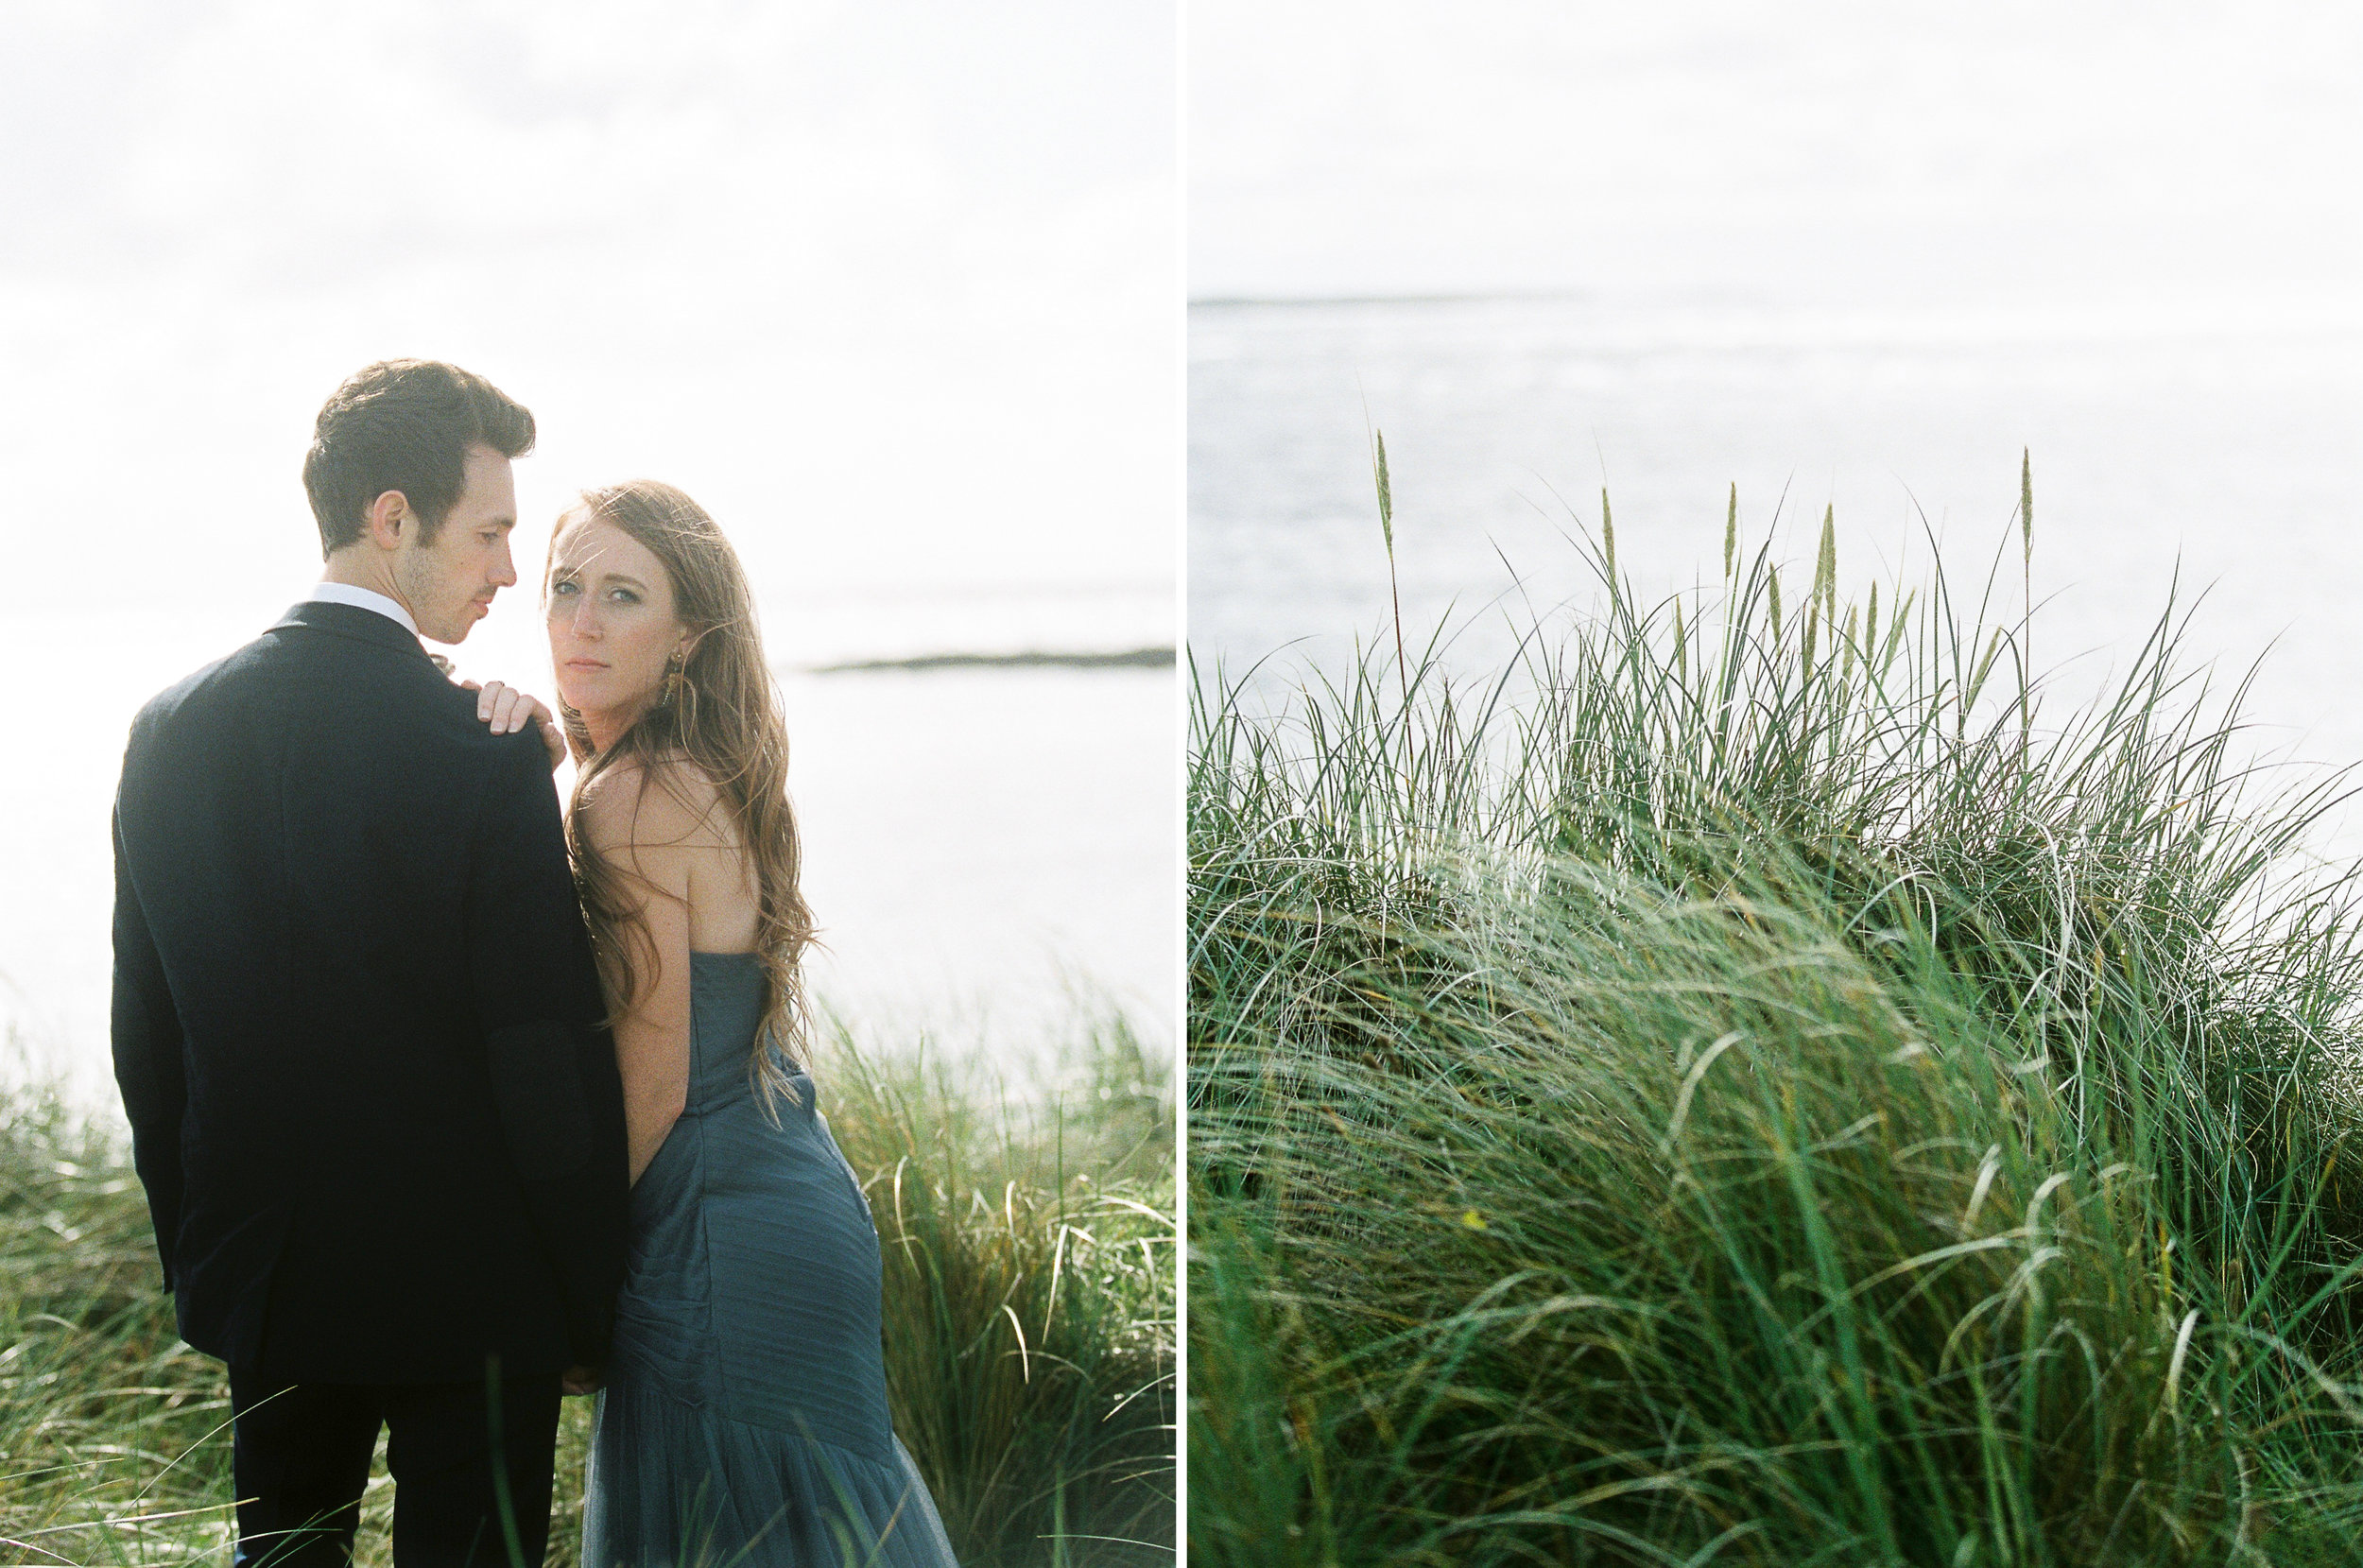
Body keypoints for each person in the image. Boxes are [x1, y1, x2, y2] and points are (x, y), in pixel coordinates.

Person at [109, 359, 631, 1566]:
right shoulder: (483, 750)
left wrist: (209, 1258)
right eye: (491, 533)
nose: (509, 569)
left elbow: (149, 1039)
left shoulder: (165, 730)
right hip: (477, 1298)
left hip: (266, 1280)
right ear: (392, 519)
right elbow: (540, 1059)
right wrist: (589, 1293)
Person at [470, 479, 960, 1566]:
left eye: (624, 596)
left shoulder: (631, 798)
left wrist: (575, 1295)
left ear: (688, 634)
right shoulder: (684, 775)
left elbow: (654, 1086)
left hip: (714, 1236)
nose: (582, 621)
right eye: (565, 588)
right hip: (783, 1202)